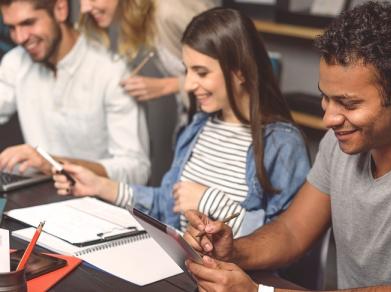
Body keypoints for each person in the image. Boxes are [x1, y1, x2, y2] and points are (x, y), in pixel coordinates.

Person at [182, 2, 391, 291]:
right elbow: (293, 231)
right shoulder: (340, 144)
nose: (329, 118)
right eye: (325, 97)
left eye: (347, 103)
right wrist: (234, 250)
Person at [53, 7, 310, 235]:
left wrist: (210, 201)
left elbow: (284, 242)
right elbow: (164, 205)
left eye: (201, 72)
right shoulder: (197, 128)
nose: (188, 84)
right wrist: (99, 185)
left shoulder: (282, 144)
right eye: (187, 71)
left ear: (239, 71)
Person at [0, 0, 150, 184]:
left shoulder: (112, 72)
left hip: (96, 205)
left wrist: (52, 164)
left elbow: (137, 170)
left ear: (60, 10)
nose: (20, 37)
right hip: (33, 201)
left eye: (28, 23)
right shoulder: (15, 63)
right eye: (11, 28)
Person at [79, 0, 218, 130]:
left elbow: (230, 68)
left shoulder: (171, 11)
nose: (84, 8)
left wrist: (169, 85)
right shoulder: (150, 17)